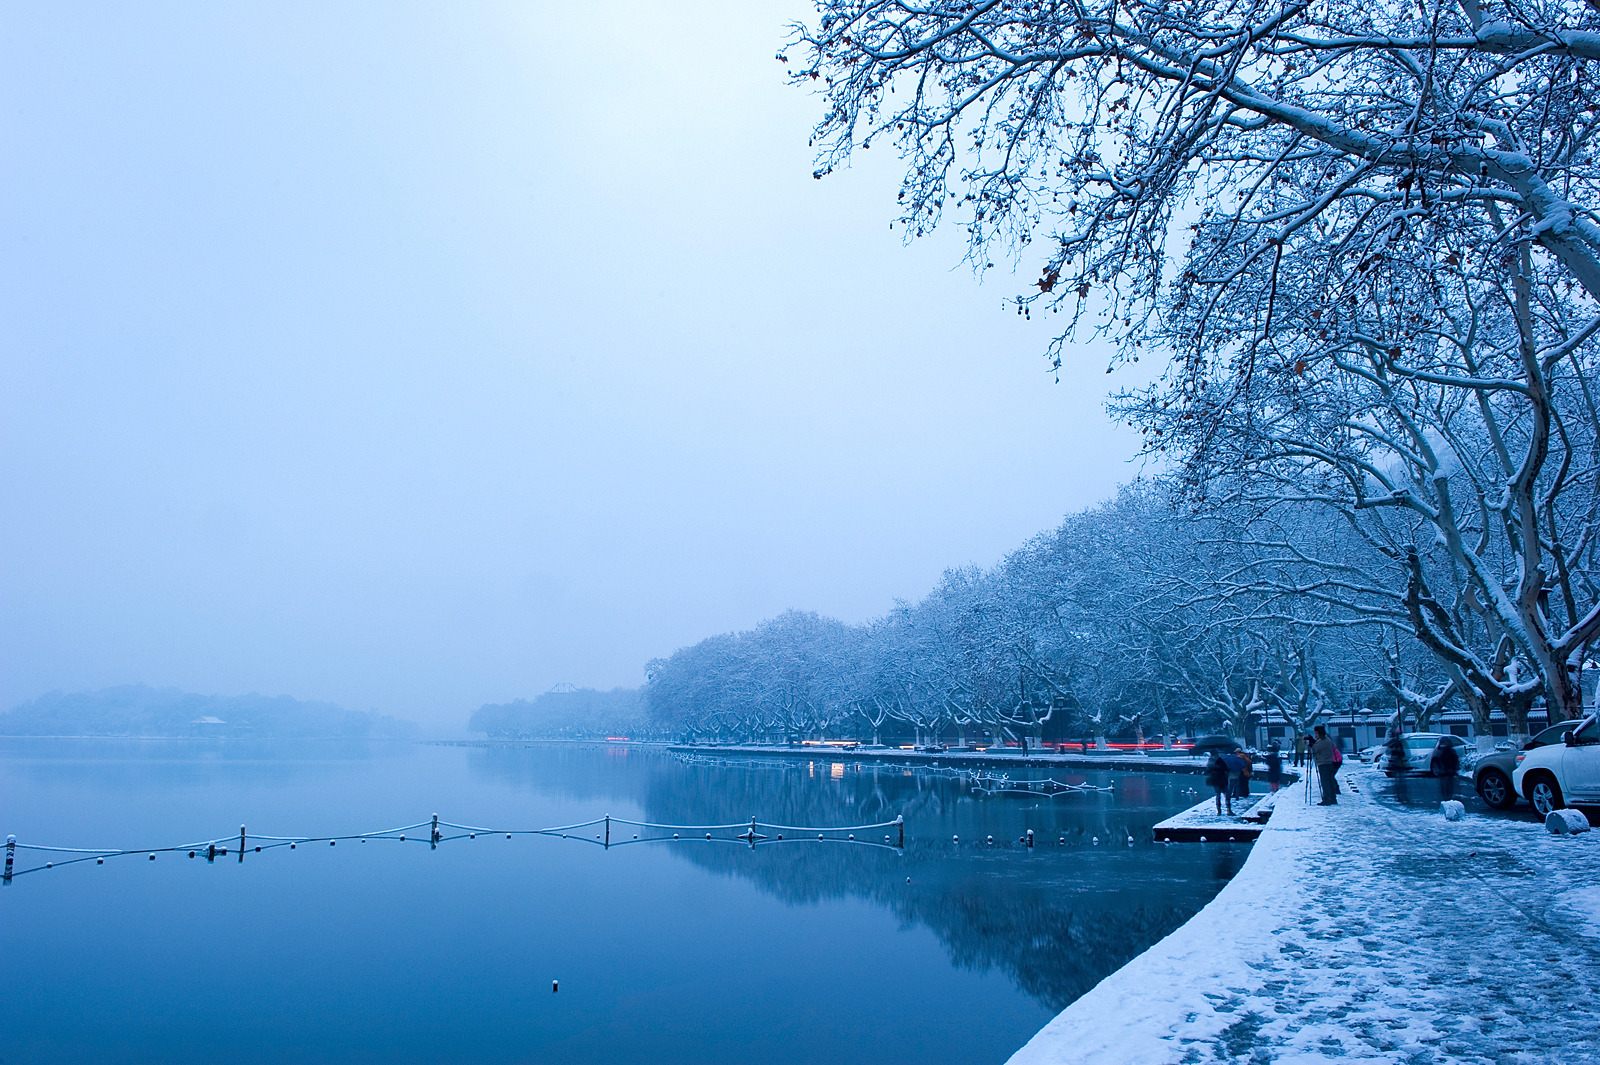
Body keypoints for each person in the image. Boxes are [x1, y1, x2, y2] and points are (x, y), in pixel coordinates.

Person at [1310, 725, 1340, 805]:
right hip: (1328, 763)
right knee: (1329, 781)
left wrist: (1311, 744)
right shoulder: (1327, 740)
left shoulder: (1323, 741)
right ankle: (1332, 799)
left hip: (1324, 763)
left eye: (1316, 733)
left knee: (1325, 782)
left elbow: (1315, 749)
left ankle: (1327, 799)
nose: (1315, 735)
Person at [1205, 750, 1233, 815]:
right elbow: (1226, 769)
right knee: (1226, 795)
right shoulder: (1220, 760)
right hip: (1222, 779)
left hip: (1216, 780)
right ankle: (1228, 810)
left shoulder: (1210, 761)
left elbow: (1207, 771)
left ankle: (1219, 811)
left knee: (1218, 795)